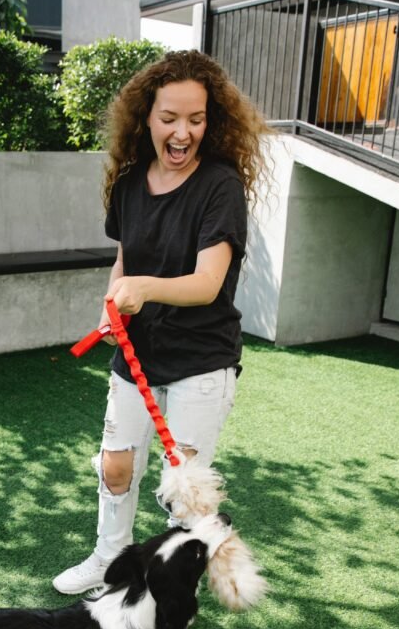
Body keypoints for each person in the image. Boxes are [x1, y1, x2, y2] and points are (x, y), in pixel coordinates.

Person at [53, 49, 271, 595]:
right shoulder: (129, 183)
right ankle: (110, 561)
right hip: (136, 355)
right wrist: (113, 299)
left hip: (201, 359)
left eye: (195, 120)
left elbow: (206, 283)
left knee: (184, 492)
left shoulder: (220, 186)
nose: (182, 132)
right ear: (146, 118)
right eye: (169, 118)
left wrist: (143, 291)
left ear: (210, 121)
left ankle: (173, 591)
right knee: (115, 466)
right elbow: (127, 257)